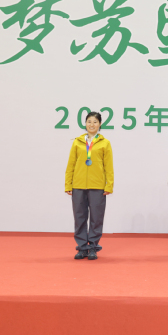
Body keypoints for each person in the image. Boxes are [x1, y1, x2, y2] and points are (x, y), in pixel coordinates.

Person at [65, 111, 114, 260]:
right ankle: (82, 248)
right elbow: (71, 164)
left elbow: (109, 167)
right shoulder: (77, 142)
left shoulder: (105, 143)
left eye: (95, 122)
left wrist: (109, 185)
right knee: (79, 217)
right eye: (89, 121)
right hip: (78, 185)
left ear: (100, 124)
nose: (92, 124)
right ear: (85, 124)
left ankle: (92, 247)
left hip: (97, 186)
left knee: (96, 218)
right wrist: (68, 184)